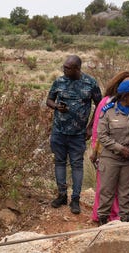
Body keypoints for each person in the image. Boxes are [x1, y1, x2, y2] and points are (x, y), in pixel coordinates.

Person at [46, 55, 101, 214]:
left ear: (77, 68)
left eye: (67, 68)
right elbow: (49, 100)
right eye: (64, 67)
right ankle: (62, 195)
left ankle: (75, 199)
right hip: (59, 131)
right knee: (59, 162)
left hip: (78, 133)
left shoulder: (90, 83)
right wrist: (56, 106)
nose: (64, 70)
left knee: (77, 165)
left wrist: (91, 127)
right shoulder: (59, 82)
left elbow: (100, 105)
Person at [89, 71, 129, 223]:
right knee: (106, 192)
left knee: (126, 194)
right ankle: (102, 221)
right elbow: (102, 135)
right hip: (110, 158)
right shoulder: (108, 111)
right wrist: (120, 149)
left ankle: (125, 222)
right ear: (125, 95)